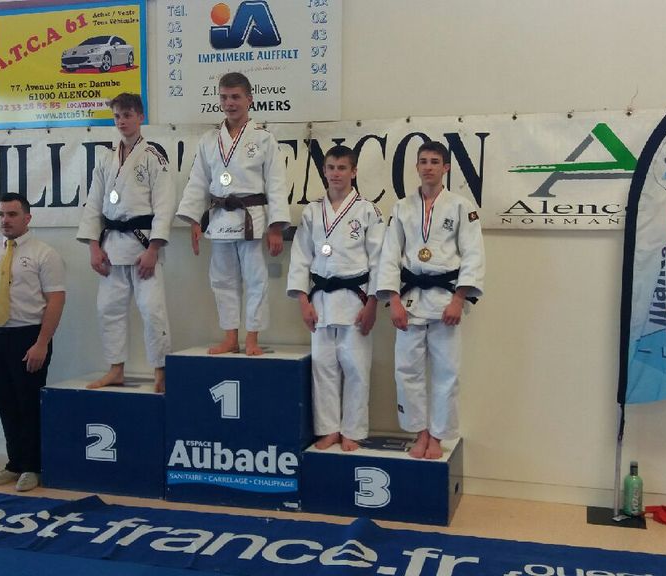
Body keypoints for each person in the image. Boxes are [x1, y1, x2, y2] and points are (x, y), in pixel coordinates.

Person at [376, 141, 485, 460]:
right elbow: (390, 255)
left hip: (445, 300)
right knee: (406, 370)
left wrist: (459, 298)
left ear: (446, 167)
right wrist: (393, 299)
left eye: (435, 161)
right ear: (417, 166)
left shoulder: (462, 206)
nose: (428, 167)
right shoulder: (402, 207)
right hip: (409, 299)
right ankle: (419, 432)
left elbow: (474, 254)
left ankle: (437, 435)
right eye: (423, 161)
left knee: (446, 372)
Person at [176, 72, 289, 356]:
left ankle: (252, 338)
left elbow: (276, 183)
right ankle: (230, 337)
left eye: (236, 97)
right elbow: (198, 181)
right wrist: (194, 220)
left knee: (256, 280)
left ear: (249, 99)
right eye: (224, 97)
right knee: (222, 280)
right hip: (219, 219)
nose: (230, 103)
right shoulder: (209, 140)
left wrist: (276, 227)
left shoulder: (263, 139)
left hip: (252, 219)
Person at [0, 193, 66, 492]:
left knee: (29, 404)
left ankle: (33, 467)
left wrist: (42, 343)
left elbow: (56, 299)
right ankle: (14, 464)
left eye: (12, 214)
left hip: (27, 338)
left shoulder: (44, 254)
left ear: (27, 218)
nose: (5, 220)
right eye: (1, 214)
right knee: (5, 404)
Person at [287, 145, 384, 451]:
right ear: (324, 170)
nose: (336, 173)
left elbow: (379, 261)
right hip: (320, 300)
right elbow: (300, 257)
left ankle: (353, 430)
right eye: (331, 167)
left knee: (356, 367)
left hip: (356, 299)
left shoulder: (368, 211)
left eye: (342, 168)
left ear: (353, 172)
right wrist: (303, 301)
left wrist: (372, 304)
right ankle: (328, 429)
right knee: (323, 366)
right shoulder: (312, 211)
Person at [76, 93, 174, 392]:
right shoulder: (106, 158)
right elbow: (94, 204)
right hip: (111, 247)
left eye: (128, 115)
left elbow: (165, 205)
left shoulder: (154, 156)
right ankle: (115, 369)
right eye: (117, 116)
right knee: (108, 309)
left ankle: (161, 371)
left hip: (143, 247)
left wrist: (154, 249)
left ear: (140, 117)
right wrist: (93, 246)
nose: (122, 121)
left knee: (153, 310)